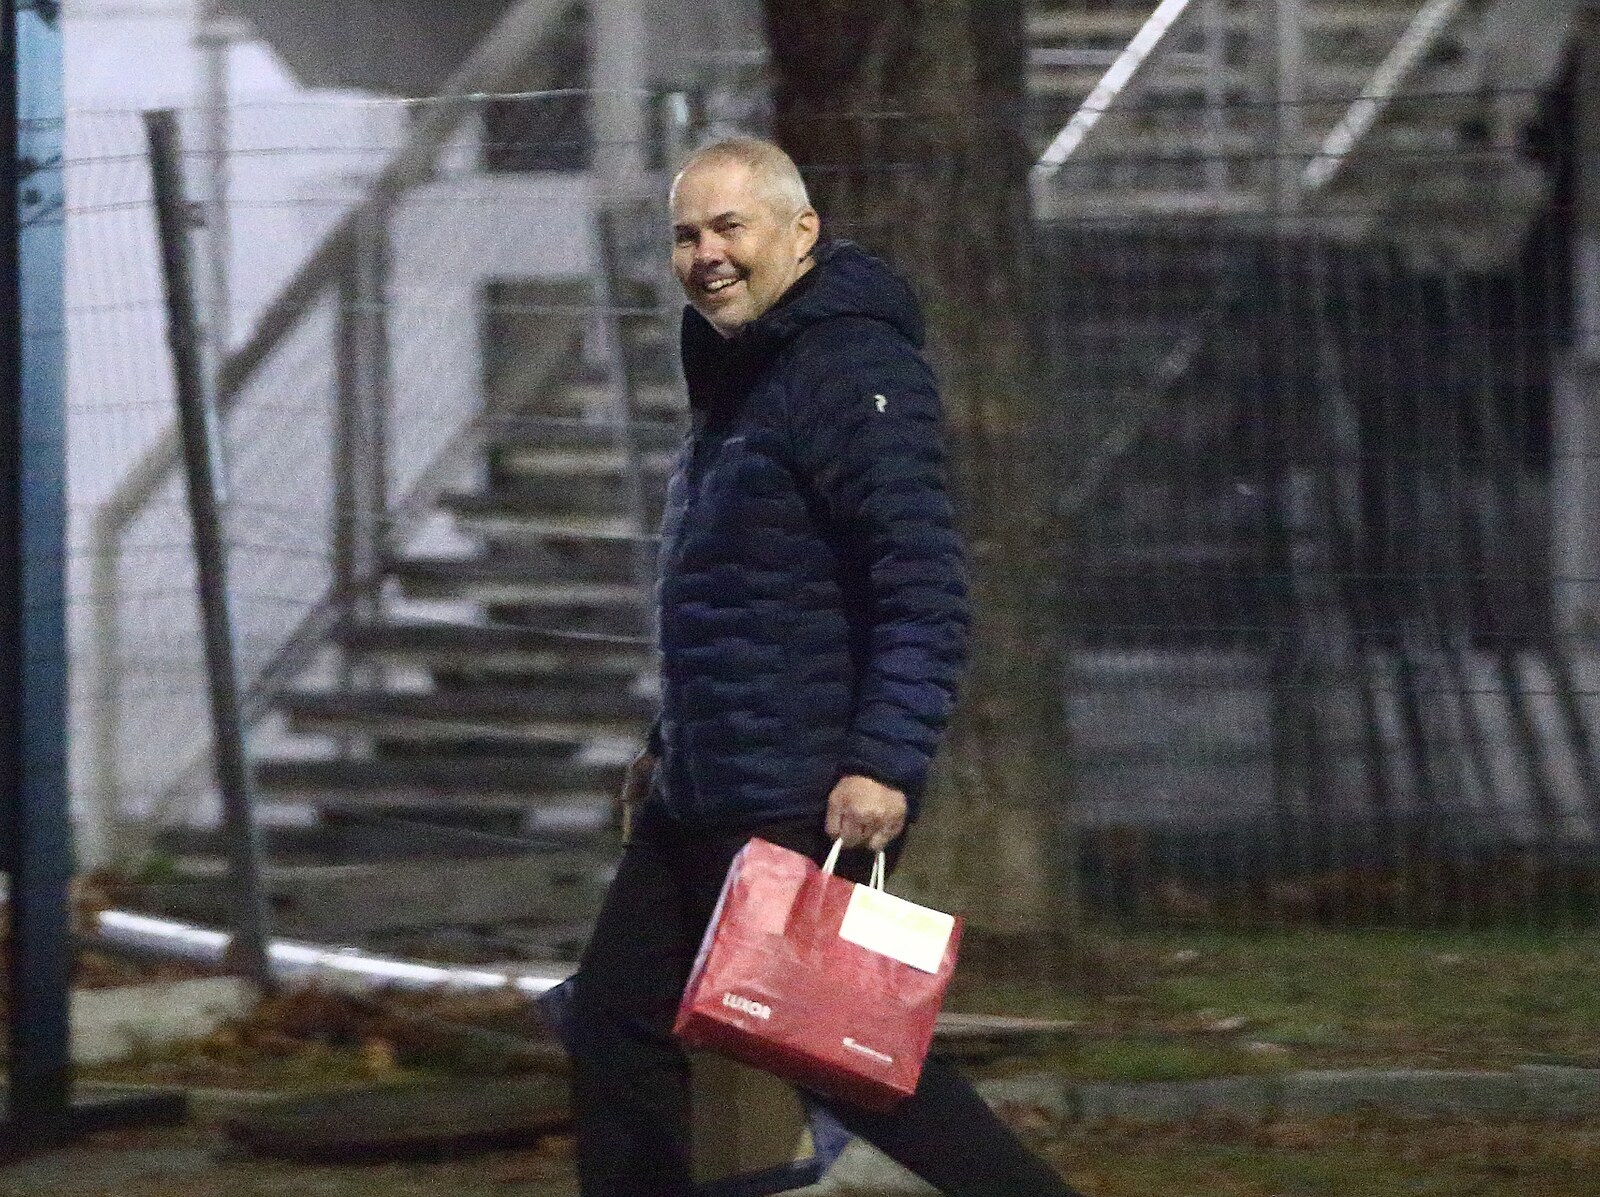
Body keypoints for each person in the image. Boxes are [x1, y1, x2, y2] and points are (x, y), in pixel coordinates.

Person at [566, 137, 1082, 1197]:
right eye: (685, 235)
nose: (706, 254)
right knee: (617, 1023)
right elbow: (739, 592)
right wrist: (668, 744)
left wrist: (883, 762)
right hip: (704, 786)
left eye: (730, 227)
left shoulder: (850, 368)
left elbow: (921, 584)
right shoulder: (744, 371)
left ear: (801, 233)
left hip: (795, 788)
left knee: (846, 1054)